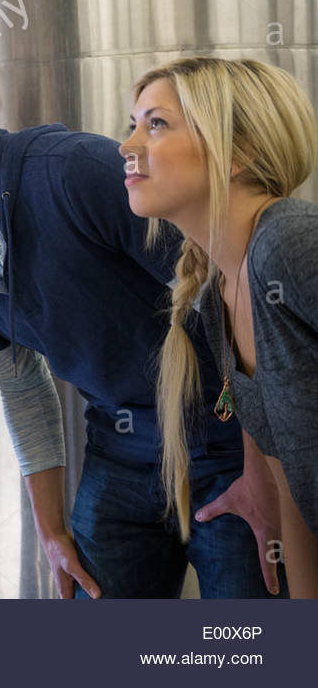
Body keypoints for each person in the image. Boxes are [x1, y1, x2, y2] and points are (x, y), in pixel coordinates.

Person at [0, 28, 280, 598]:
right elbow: (23, 389)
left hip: (226, 441)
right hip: (119, 445)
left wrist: (267, 472)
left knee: (245, 652)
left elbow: (231, 294)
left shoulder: (73, 171)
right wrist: (50, 530)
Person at [120, 56, 318, 597]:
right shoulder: (217, 303)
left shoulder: (290, 241)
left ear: (239, 153)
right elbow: (293, 495)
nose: (127, 146)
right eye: (132, 125)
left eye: (155, 124)